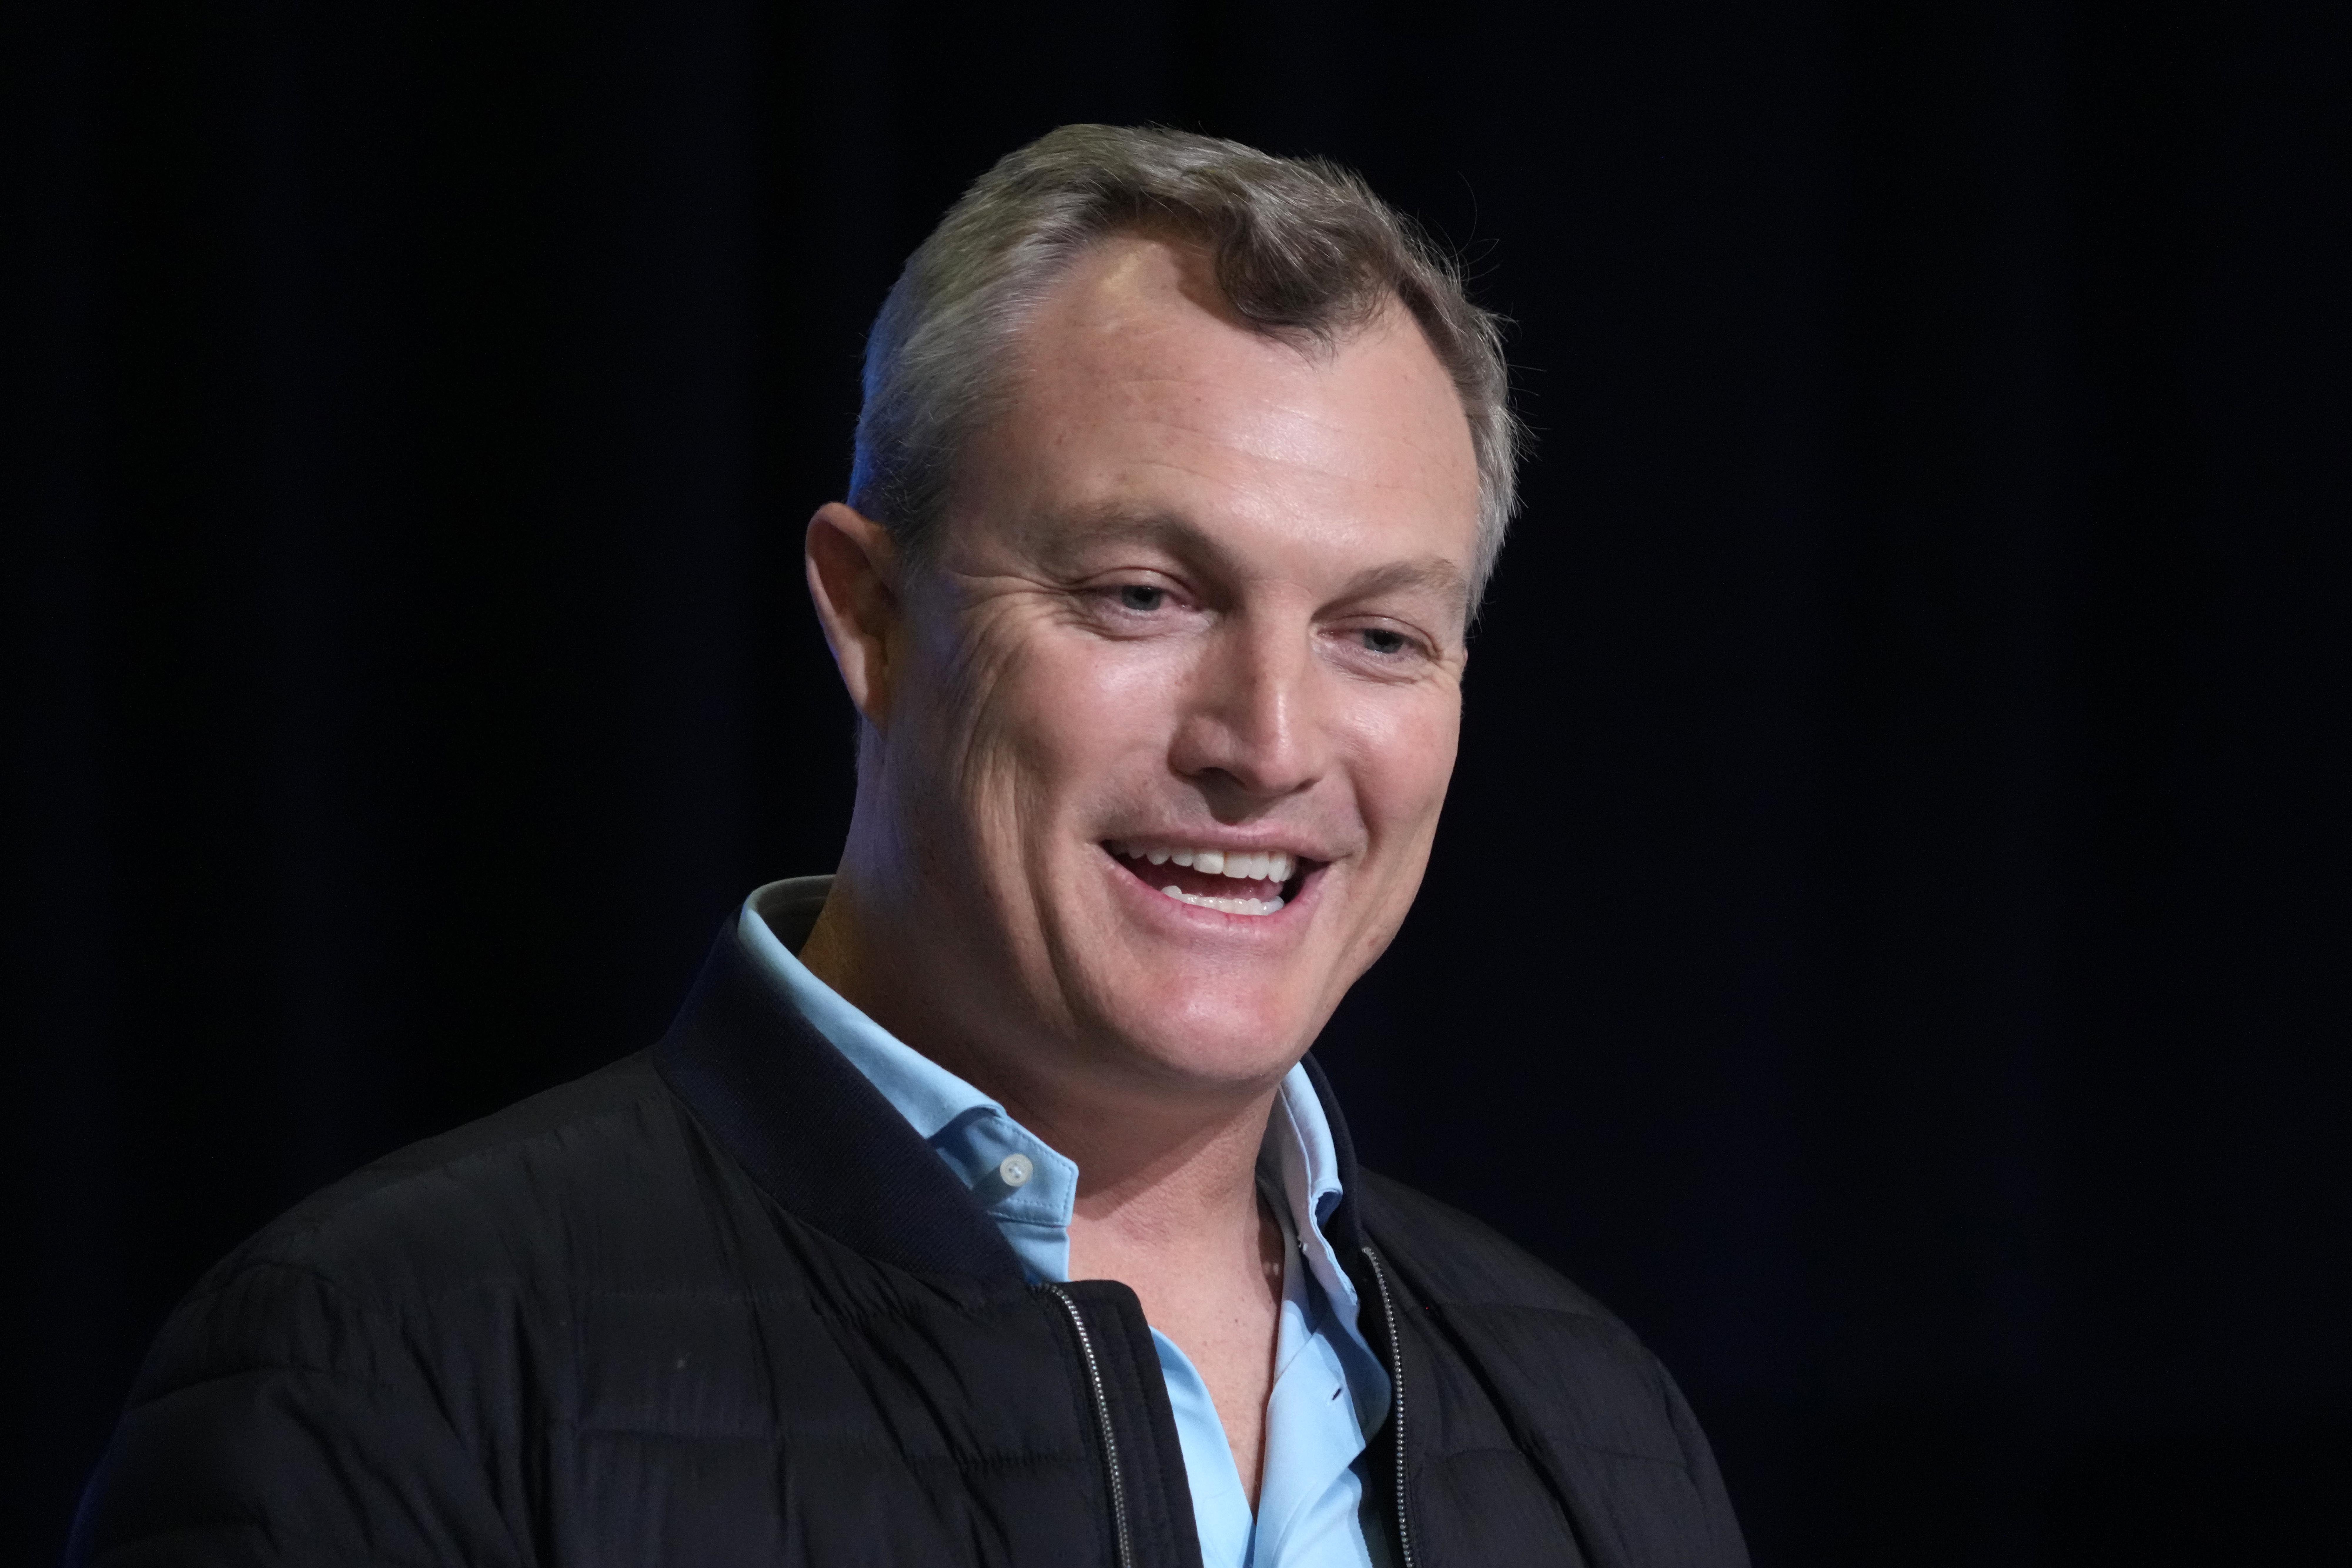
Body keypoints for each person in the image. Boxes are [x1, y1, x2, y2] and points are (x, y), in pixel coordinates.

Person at [70, 126, 1748, 1568]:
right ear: (871, 613)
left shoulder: (1596, 1430)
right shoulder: (382, 1367)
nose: (1269, 742)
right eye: (1142, 597)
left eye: (1378, 634)